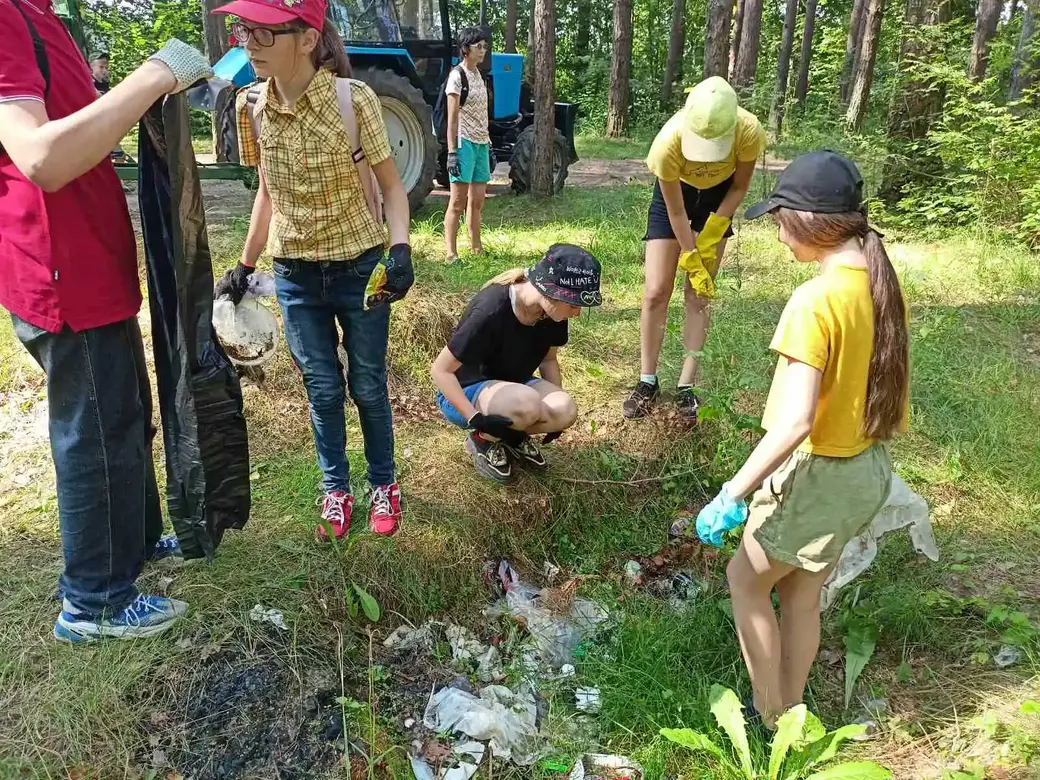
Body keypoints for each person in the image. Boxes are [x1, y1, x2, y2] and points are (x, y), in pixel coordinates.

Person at [0, 0, 212, 642]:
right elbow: (40, 157)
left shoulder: (40, 15)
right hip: (61, 270)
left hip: (93, 262)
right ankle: (93, 601)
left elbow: (83, 130)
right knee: (96, 433)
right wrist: (151, 76)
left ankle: (138, 544)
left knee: (123, 415)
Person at [692, 152, 909, 729]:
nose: (780, 237)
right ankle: (794, 708)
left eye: (781, 222)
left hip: (818, 475)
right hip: (865, 470)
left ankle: (771, 719)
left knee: (745, 580)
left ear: (810, 221)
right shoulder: (876, 279)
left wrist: (733, 492)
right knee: (801, 593)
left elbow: (794, 423)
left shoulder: (815, 300)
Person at [212, 0, 414, 540]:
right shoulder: (249, 105)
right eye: (243, 29)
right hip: (296, 275)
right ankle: (335, 490)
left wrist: (400, 250)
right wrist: (245, 263)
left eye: (263, 32)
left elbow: (392, 188)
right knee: (322, 388)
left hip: (360, 269)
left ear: (307, 38)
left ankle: (384, 484)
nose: (248, 42)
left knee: (367, 384)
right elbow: (267, 192)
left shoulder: (356, 101)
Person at [623, 76, 765, 422]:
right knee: (656, 290)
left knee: (698, 293)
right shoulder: (667, 144)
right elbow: (675, 211)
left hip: (719, 200)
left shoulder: (748, 131)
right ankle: (647, 380)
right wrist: (690, 253)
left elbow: (740, 186)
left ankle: (687, 385)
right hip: (676, 199)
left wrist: (713, 232)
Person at [431, 244, 601, 482]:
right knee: (527, 404)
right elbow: (440, 371)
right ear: (550, 291)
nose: (577, 313)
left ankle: (512, 436)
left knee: (564, 409)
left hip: (513, 386)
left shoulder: (551, 312)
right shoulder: (491, 309)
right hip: (464, 390)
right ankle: (483, 440)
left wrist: (552, 421)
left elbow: (548, 360)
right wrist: (475, 418)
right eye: (574, 304)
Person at [443, 26, 491, 263]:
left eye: (485, 46)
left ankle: (476, 248)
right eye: (478, 46)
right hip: (463, 143)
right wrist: (452, 152)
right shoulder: (456, 76)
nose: (483, 50)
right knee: (458, 201)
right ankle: (451, 253)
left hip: (481, 143)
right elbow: (452, 119)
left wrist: (488, 144)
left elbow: (482, 114)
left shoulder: (479, 76)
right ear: (465, 49)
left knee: (478, 200)